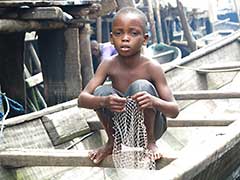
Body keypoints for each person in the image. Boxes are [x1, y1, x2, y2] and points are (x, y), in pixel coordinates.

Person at [78, 7, 179, 164]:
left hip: (153, 128)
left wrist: (153, 101)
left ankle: (150, 144)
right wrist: (104, 101)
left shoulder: (152, 67)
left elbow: (174, 110)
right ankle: (112, 143)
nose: (125, 39)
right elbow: (82, 99)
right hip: (122, 129)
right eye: (119, 33)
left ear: (145, 39)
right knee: (101, 91)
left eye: (133, 33)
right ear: (111, 38)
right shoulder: (108, 64)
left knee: (141, 86)